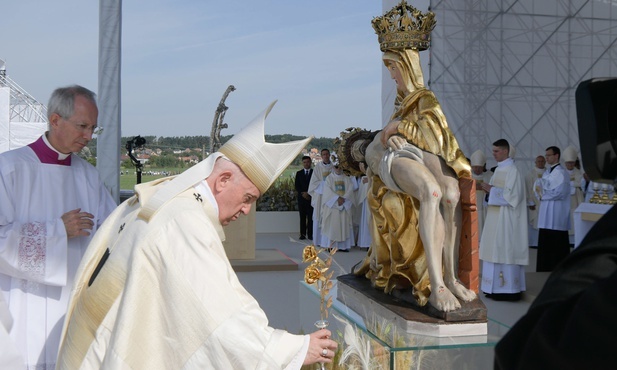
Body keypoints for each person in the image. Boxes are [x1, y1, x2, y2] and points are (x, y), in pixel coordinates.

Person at [56, 102, 337, 369]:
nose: (247, 211)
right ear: (223, 180)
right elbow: (222, 321)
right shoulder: (184, 222)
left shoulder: (166, 197)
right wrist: (293, 350)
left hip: (92, 346)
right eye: (247, 198)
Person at [0, 85, 117, 369]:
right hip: (23, 299)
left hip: (71, 303)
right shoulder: (9, 168)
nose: (88, 136)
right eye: (82, 126)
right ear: (55, 120)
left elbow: (111, 232)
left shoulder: (88, 176)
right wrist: (56, 231)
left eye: (93, 128)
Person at [479, 139, 528, 301]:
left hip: (507, 220)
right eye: (493, 151)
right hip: (495, 218)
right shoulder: (498, 171)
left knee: (504, 250)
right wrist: (488, 191)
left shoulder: (513, 171)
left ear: (505, 151)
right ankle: (492, 287)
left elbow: (513, 197)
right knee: (493, 251)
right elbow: (493, 194)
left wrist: (491, 190)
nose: (493, 154)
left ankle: (508, 289)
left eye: (496, 151)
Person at [535, 146, 571, 272]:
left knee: (557, 244)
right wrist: (540, 193)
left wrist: (543, 195)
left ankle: (558, 270)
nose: (546, 158)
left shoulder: (561, 173)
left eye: (549, 155)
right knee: (546, 243)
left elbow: (559, 192)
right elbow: (538, 187)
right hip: (546, 212)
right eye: (546, 156)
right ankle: (544, 269)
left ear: (556, 156)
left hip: (557, 214)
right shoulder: (547, 172)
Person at [320, 154, 356, 252]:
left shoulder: (347, 178)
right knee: (332, 227)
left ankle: (343, 246)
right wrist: (337, 199)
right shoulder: (329, 178)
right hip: (333, 207)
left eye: (340, 167)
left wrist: (343, 199)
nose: (338, 168)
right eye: (336, 167)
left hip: (344, 205)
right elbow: (327, 192)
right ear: (333, 167)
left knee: (344, 226)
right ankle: (331, 246)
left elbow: (350, 190)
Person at [308, 149, 333, 246]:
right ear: (321, 156)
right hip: (320, 196)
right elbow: (313, 182)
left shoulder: (333, 167)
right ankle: (318, 241)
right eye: (323, 154)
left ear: (329, 155)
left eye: (327, 154)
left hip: (330, 197)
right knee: (319, 217)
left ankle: (327, 242)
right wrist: (325, 184)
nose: (325, 156)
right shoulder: (318, 167)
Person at [563, 146, 585, 245]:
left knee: (574, 218)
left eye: (572, 163)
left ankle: (574, 241)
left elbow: (581, 183)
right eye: (568, 163)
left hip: (576, 199)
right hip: (565, 200)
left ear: (575, 163)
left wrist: (572, 184)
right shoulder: (562, 173)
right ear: (565, 163)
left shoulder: (578, 173)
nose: (570, 165)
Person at [470, 149, 493, 239]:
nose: (477, 169)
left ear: (483, 166)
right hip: (472, 206)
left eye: (479, 167)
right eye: (475, 167)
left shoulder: (490, 175)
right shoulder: (468, 176)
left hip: (485, 208)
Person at [525, 155, 546, 247]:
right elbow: (528, 188)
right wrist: (530, 202)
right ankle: (533, 242)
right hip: (534, 203)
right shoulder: (530, 174)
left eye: (542, 161)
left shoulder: (548, 173)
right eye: (539, 161)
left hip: (545, 203)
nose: (540, 163)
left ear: (545, 162)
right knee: (534, 222)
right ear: (535, 162)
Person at [294, 155, 313, 240]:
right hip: (302, 199)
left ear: (310, 162)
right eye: (304, 162)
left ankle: (310, 234)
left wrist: (309, 194)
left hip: (311, 198)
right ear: (302, 163)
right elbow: (297, 186)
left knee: (310, 217)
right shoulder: (299, 173)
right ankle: (302, 234)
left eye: (308, 162)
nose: (306, 164)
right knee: (302, 217)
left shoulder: (314, 173)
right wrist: (304, 194)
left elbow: (315, 185)